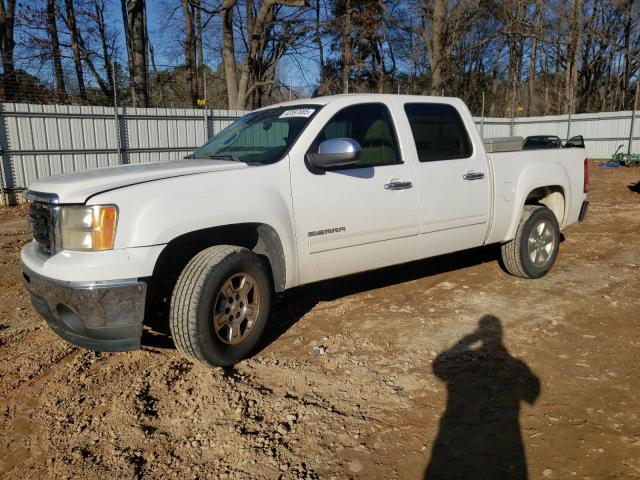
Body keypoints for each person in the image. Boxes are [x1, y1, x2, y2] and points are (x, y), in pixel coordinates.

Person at [425, 315, 540, 480]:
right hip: (505, 436)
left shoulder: (510, 365)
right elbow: (532, 393)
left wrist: (468, 340)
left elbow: (438, 369)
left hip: (461, 434)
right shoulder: (515, 365)